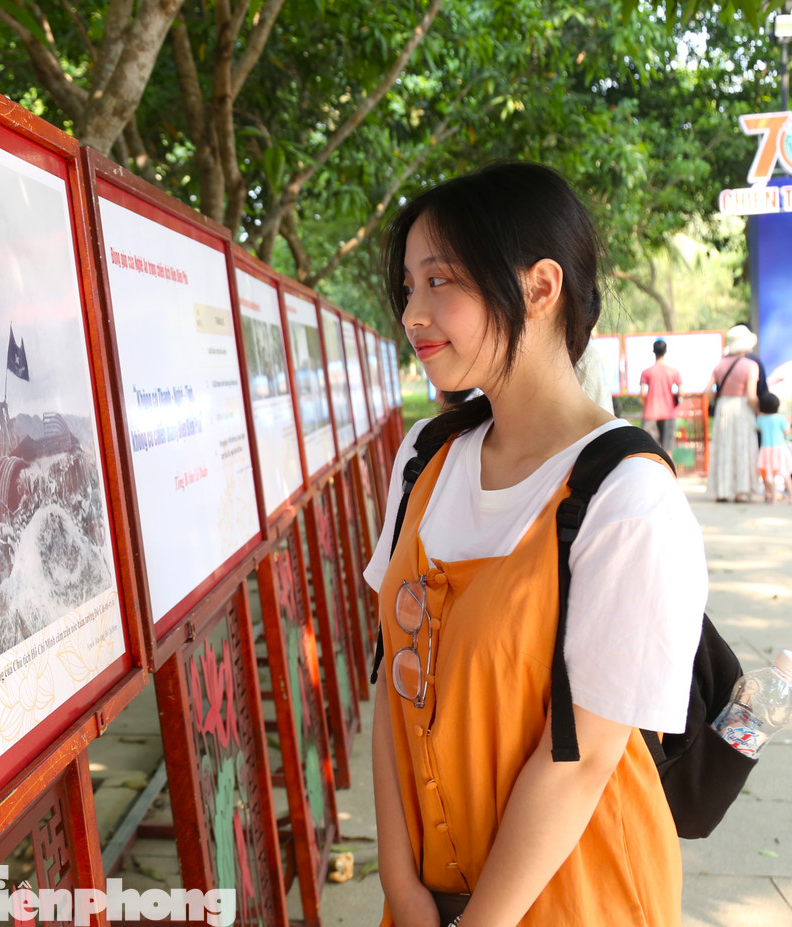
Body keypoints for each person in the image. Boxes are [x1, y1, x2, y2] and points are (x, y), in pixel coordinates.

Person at [367, 162, 706, 926]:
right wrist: (401, 885)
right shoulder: (424, 459)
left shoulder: (626, 496)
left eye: (440, 281)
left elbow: (581, 761)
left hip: (581, 898)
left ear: (540, 287)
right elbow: (393, 677)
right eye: (409, 287)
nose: (413, 313)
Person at [705, 325, 761, 503]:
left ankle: (722, 491)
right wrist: (760, 410)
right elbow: (751, 396)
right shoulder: (751, 366)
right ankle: (741, 492)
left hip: (723, 407)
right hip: (741, 408)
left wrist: (721, 398)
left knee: (723, 447)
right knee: (742, 447)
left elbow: (707, 391)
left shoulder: (720, 365)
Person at [639, 338, 682, 454]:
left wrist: (646, 403)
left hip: (650, 413)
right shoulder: (673, 371)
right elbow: (681, 392)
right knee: (668, 450)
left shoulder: (646, 372)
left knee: (651, 450)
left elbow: (642, 394)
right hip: (668, 413)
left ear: (654, 351)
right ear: (665, 351)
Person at [756, 392, 792, 504]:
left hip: (766, 449)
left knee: (769, 474)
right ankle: (791, 496)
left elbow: (757, 429)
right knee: (785, 473)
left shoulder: (761, 419)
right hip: (780, 448)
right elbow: (787, 432)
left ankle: (773, 498)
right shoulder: (780, 418)